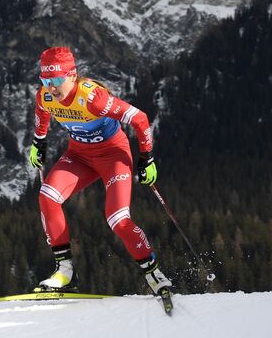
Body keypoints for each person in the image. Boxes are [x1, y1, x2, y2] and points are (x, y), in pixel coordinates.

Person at [29, 46, 172, 298]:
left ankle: (154, 272)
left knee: (117, 219)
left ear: (72, 76)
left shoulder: (93, 98)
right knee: (47, 197)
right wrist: (38, 142)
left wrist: (146, 158)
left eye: (56, 80)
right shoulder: (46, 96)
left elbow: (140, 118)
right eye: (45, 80)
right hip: (79, 155)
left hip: (113, 155)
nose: (50, 87)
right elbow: (42, 113)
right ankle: (65, 270)